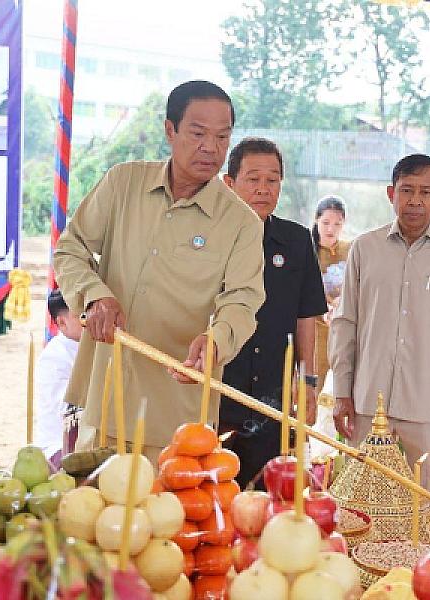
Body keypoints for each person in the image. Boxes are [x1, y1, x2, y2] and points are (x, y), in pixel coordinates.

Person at [53, 81, 265, 463]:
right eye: (198, 134)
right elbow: (71, 248)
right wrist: (94, 295)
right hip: (105, 396)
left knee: (165, 516)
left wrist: (217, 339)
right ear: (170, 130)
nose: (211, 148)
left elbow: (243, 300)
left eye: (222, 137)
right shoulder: (123, 183)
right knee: (91, 512)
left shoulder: (242, 223)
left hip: (177, 417)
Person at [330, 154, 430, 494]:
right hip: (368, 403)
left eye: (426, 192)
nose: (415, 200)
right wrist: (342, 392)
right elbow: (345, 323)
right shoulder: (364, 249)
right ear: (391, 193)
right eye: (407, 190)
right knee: (363, 504)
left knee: (424, 506)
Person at [218, 137, 328, 488]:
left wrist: (308, 380)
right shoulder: (207, 239)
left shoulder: (296, 241)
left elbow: (306, 315)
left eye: (273, 180)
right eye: (253, 179)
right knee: (212, 489)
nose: (264, 189)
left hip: (274, 389)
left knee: (265, 490)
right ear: (229, 183)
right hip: (218, 384)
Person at [35, 290, 82, 465]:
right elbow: (68, 410)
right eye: (82, 316)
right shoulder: (54, 358)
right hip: (60, 447)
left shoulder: (95, 346)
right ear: (62, 323)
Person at [311, 195, 350, 398]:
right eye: (326, 223)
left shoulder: (350, 249)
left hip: (344, 323)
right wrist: (327, 307)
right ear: (316, 220)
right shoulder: (309, 250)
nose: (330, 229)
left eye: (337, 224)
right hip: (317, 327)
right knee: (315, 378)